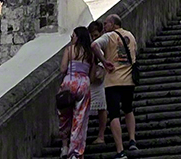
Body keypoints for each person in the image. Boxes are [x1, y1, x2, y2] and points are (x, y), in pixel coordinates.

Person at [97, 11, 140, 156]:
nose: (104, 26)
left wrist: (103, 61)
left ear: (114, 24)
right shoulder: (131, 36)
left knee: (114, 114)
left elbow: (93, 45)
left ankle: (120, 149)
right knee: (128, 109)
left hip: (113, 81)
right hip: (129, 81)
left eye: (106, 23)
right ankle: (132, 140)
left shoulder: (108, 36)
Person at [53, 26, 99, 158]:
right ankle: (76, 152)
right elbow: (92, 76)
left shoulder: (69, 49)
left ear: (77, 37)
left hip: (70, 82)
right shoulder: (90, 53)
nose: (71, 38)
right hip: (83, 83)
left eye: (72, 36)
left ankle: (64, 146)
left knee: (64, 116)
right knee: (80, 118)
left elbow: (62, 69)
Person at [88, 21, 109, 150]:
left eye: (96, 35)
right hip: (92, 80)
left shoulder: (104, 43)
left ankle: (101, 135)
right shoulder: (93, 46)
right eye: (92, 36)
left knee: (102, 107)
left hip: (100, 80)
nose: (95, 38)